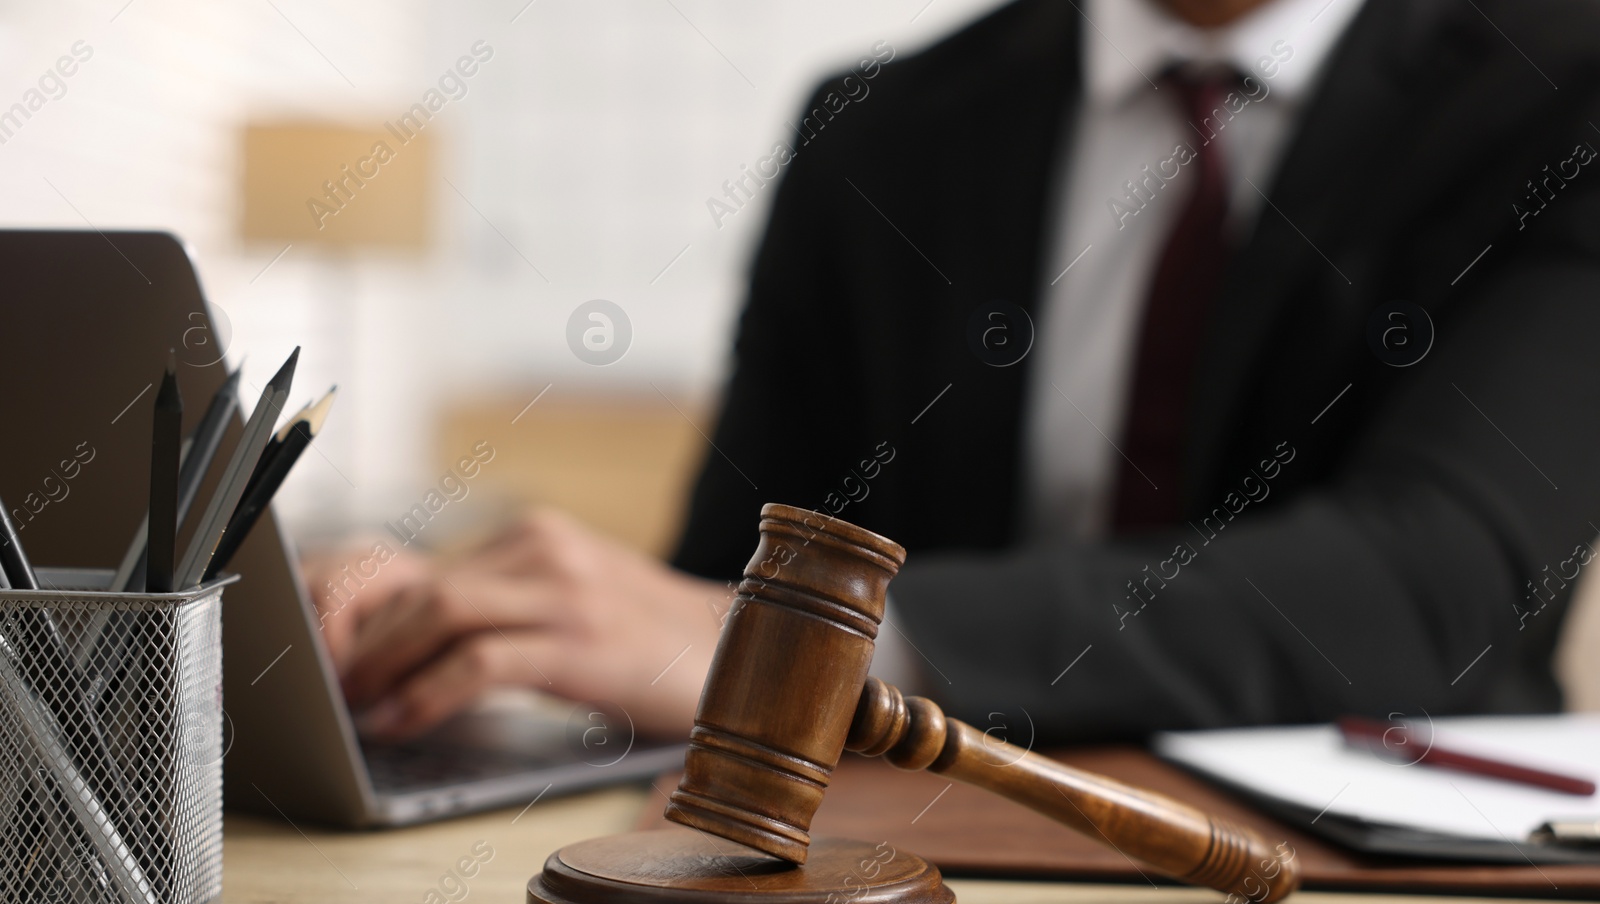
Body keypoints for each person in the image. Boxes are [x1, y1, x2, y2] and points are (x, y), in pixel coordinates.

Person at [313, 0, 1600, 745]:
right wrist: (483, 628)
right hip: (912, 879)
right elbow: (725, 589)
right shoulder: (874, 135)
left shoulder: (1562, 98)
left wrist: (826, 647)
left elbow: (1434, 580)